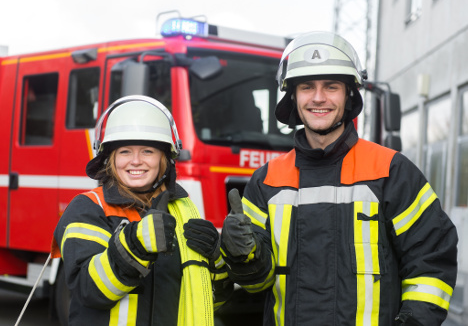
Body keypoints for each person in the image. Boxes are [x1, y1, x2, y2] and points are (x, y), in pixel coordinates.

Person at [220, 32, 458, 325]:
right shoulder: (266, 181)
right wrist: (243, 256)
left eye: (331, 86)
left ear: (349, 95)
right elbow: (256, 285)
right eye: (307, 87)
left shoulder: (391, 171)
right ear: (292, 96)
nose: (319, 98)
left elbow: (431, 262)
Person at [51, 95, 231, 326]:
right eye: (125, 151)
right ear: (110, 159)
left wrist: (217, 260)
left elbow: (211, 299)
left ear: (164, 158)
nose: (136, 161)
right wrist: (134, 245)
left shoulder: (184, 210)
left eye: (147, 151)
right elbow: (88, 289)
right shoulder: (89, 208)